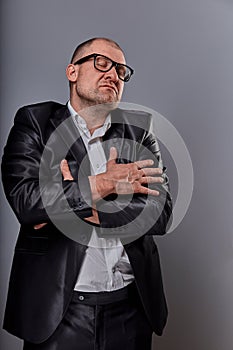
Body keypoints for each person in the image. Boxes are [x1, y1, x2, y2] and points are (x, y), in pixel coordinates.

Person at [1, 37, 172, 350]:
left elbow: (160, 215)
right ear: (72, 72)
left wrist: (73, 198)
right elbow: (28, 203)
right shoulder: (35, 124)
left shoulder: (140, 130)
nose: (113, 74)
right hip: (58, 314)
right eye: (101, 63)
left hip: (130, 311)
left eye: (121, 71)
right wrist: (107, 185)